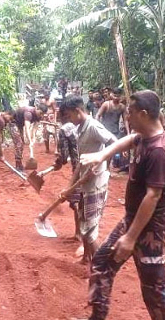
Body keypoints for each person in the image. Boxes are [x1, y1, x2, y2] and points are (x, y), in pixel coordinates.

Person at [67, 90, 165, 320]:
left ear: (144, 114)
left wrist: (130, 237)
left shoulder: (159, 150)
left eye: (130, 112)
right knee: (102, 262)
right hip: (133, 219)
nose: (127, 116)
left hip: (150, 228)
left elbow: (153, 195)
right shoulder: (144, 136)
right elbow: (129, 140)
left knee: (154, 286)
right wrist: (102, 154)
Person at [59, 95, 117, 264]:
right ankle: (86, 258)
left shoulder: (93, 126)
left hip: (95, 184)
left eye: (69, 115)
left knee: (90, 230)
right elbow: (80, 162)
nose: (69, 120)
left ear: (78, 111)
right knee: (83, 222)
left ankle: (101, 267)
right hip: (85, 183)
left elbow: (114, 142)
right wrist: (70, 186)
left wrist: (101, 163)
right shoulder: (79, 129)